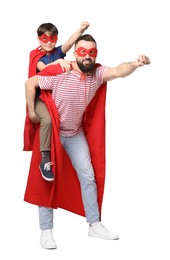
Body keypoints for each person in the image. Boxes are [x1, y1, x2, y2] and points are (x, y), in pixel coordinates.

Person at [24, 34, 151, 249]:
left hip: (75, 134)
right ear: (75, 54)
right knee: (46, 179)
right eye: (83, 52)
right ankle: (46, 231)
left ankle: (94, 224)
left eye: (92, 53)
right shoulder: (60, 72)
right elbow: (30, 83)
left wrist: (135, 64)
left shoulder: (98, 73)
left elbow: (119, 71)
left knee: (88, 176)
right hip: (53, 133)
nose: (87, 57)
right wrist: (32, 112)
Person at [23, 21, 90, 182]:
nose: (49, 42)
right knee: (47, 120)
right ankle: (45, 158)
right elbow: (42, 69)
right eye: (45, 38)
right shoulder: (36, 54)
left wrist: (80, 29)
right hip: (39, 98)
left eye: (52, 38)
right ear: (39, 39)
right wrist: (32, 110)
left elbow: (69, 42)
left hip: (54, 98)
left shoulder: (58, 51)